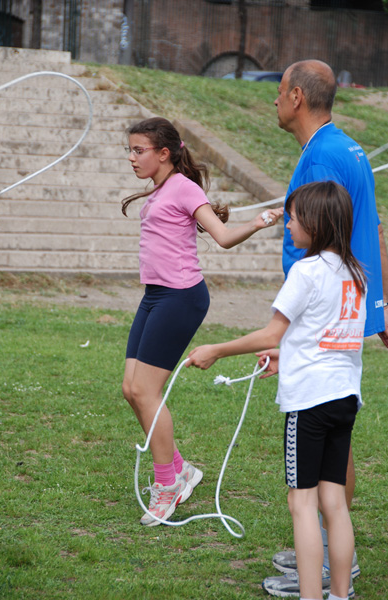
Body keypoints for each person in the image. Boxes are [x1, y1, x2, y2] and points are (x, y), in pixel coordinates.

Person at [187, 180, 366, 600]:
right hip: (344, 399)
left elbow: (272, 331)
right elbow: (335, 338)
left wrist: (216, 349)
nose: (288, 224)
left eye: (295, 217)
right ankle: (340, 595)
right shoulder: (356, 273)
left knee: (301, 504)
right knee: (334, 503)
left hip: (310, 403)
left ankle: (309, 595)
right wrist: (287, 357)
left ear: (317, 224)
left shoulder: (305, 271)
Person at [263, 58, 388, 597]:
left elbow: (319, 245)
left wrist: (282, 329)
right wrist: (380, 306)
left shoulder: (323, 160)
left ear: (295, 96)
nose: (272, 102)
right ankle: (333, 556)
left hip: (318, 318)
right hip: (348, 310)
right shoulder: (346, 146)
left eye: (277, 93)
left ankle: (323, 564)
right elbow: (374, 229)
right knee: (337, 436)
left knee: (318, 464)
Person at [121, 116, 283, 527]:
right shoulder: (163, 189)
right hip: (155, 295)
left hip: (181, 297)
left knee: (146, 390)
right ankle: (181, 470)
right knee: (131, 389)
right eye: (130, 149)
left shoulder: (185, 188)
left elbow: (223, 237)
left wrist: (261, 221)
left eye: (139, 150)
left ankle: (167, 486)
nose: (132, 157)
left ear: (164, 153)